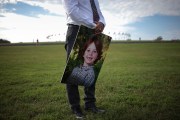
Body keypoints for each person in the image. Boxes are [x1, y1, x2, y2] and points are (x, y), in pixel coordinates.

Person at [62, 0, 106, 119]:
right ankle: (76, 107)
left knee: (91, 67)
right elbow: (71, 9)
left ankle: (90, 104)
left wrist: (102, 23)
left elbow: (98, 12)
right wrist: (93, 24)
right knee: (73, 69)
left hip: (94, 30)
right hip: (77, 28)